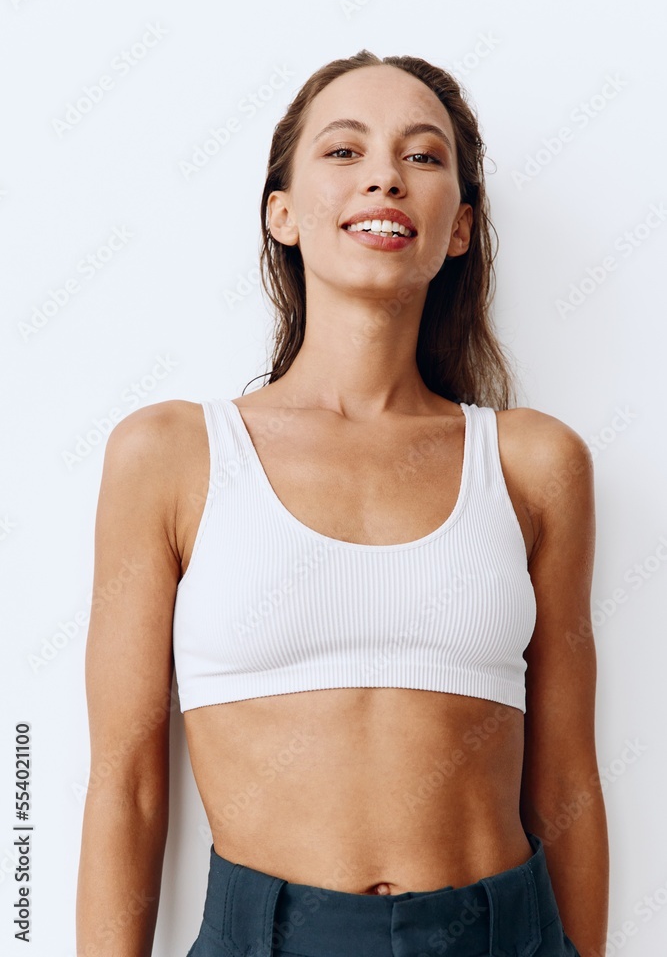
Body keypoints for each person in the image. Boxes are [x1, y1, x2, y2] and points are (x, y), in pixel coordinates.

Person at [76, 49, 609, 956]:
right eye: (342, 151)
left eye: (423, 156)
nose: (384, 178)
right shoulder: (170, 454)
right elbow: (125, 781)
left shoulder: (532, 462)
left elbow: (565, 781)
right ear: (280, 213)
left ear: (459, 229)